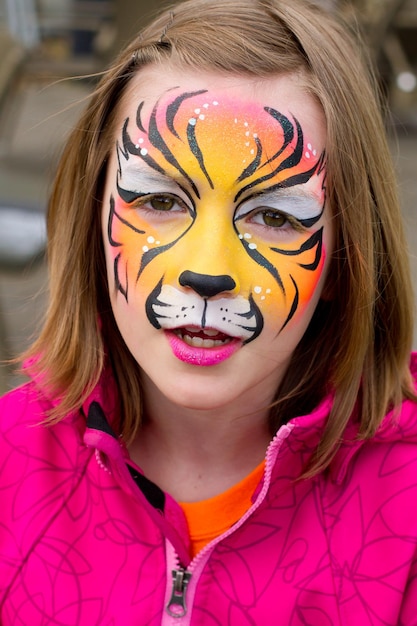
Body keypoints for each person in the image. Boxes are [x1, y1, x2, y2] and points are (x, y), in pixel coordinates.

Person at [1, 0, 417, 623]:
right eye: (159, 200)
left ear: (344, 257)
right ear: (92, 219)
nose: (208, 269)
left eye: (275, 216)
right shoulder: (12, 472)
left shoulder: (404, 510)